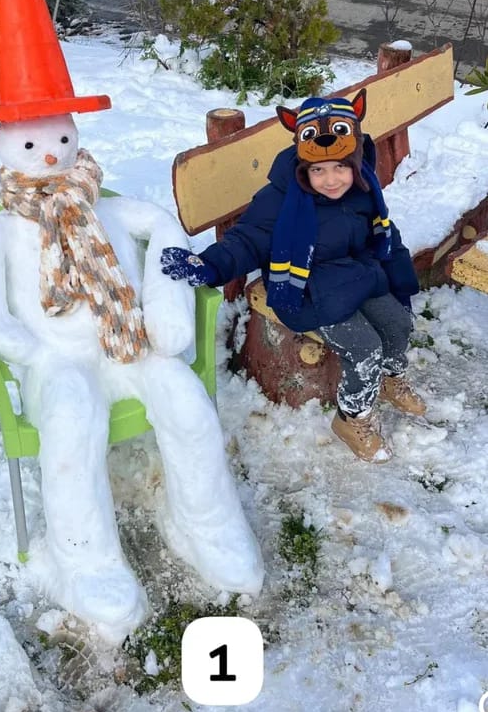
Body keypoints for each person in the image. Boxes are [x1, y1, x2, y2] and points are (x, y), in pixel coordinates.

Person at [160, 89, 425, 463]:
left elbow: (383, 232)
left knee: (398, 324)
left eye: (340, 168)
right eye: (319, 170)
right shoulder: (282, 198)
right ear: (304, 166)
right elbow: (248, 239)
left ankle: (388, 377)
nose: (331, 179)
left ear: (354, 162)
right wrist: (210, 264)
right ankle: (353, 418)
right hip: (310, 290)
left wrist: (398, 274)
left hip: (360, 275)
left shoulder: (363, 189)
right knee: (365, 349)